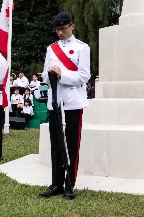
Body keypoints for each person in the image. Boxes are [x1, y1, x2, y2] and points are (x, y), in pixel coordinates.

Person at [39, 12, 90, 200]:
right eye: (58, 30)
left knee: (71, 144)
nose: (60, 33)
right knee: (56, 145)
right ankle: (56, 183)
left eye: (64, 29)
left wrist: (63, 75)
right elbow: (44, 75)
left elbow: (84, 76)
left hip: (73, 102)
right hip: (55, 102)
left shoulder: (82, 48)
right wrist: (51, 74)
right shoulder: (51, 48)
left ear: (72, 27)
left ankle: (70, 183)